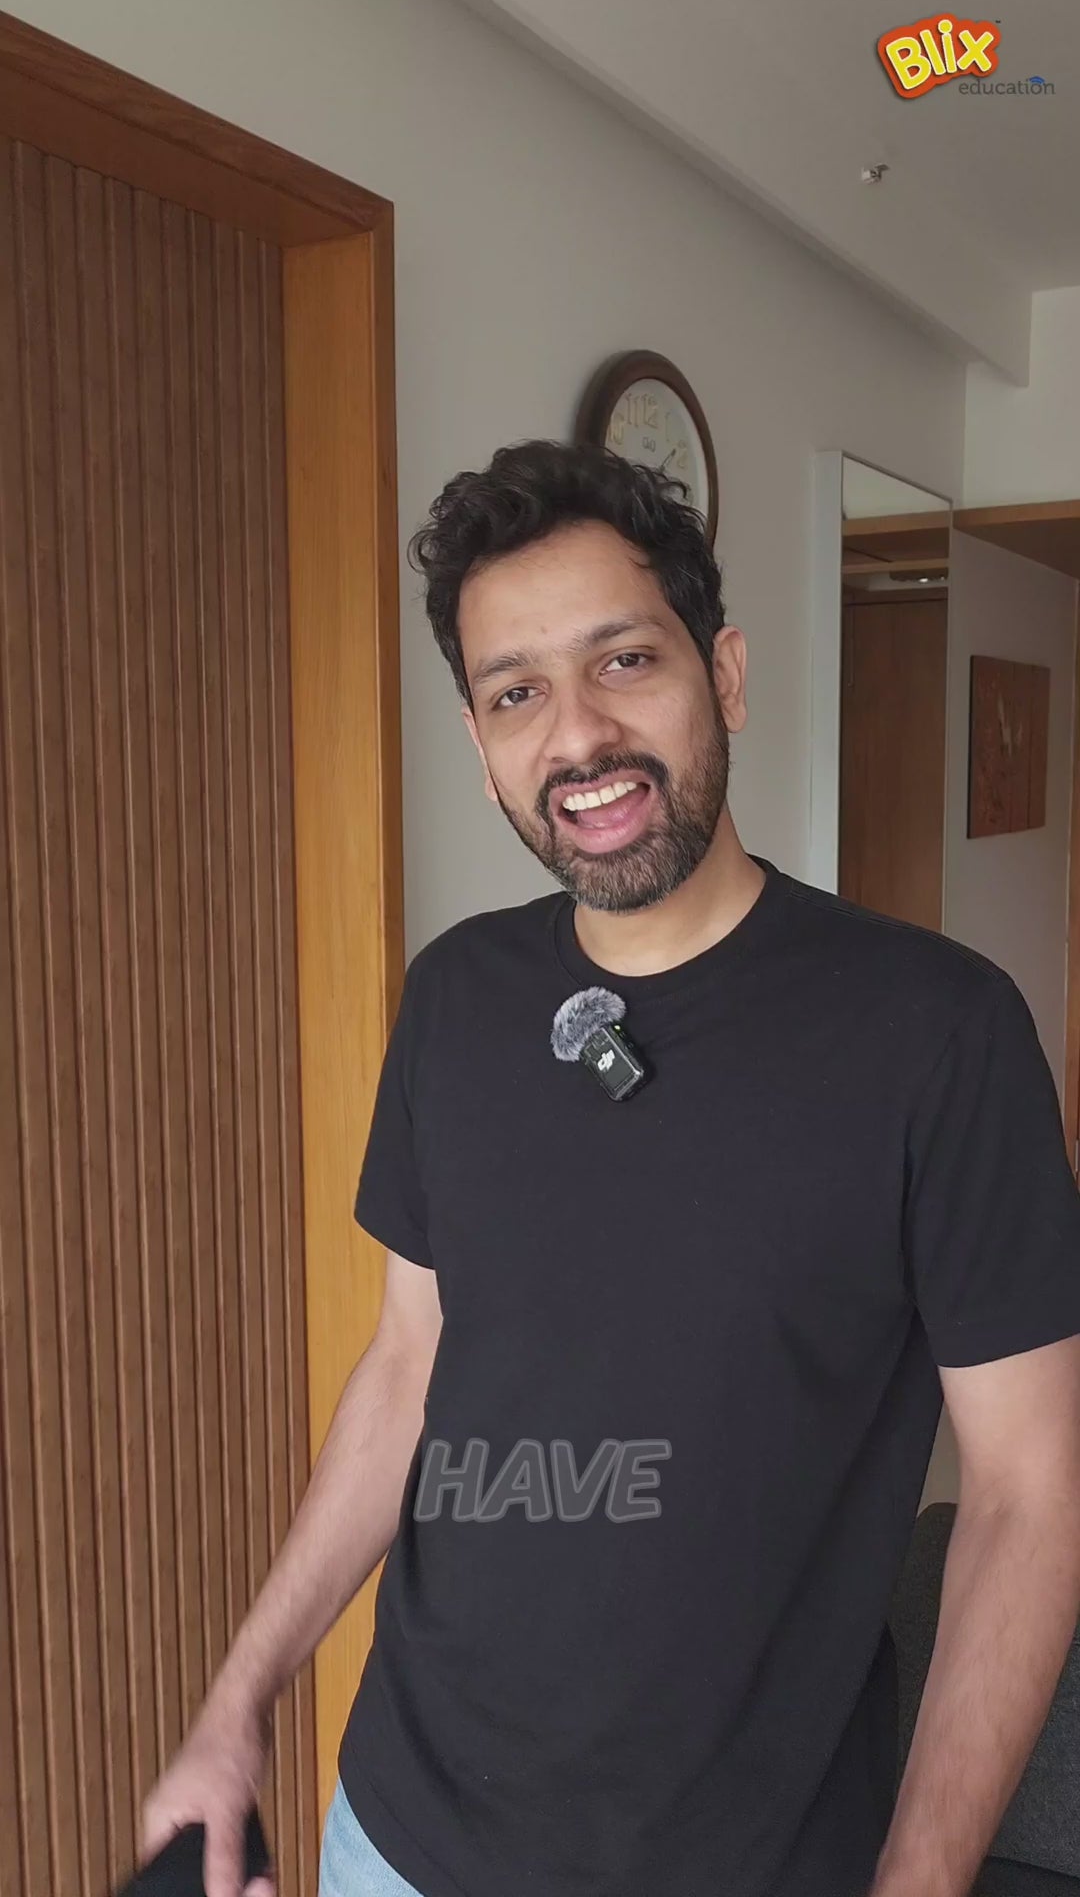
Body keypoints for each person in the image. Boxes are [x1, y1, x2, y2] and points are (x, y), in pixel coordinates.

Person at [142, 441, 1080, 1897]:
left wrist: (923, 1875)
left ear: (727, 675)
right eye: (515, 692)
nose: (577, 736)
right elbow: (408, 1365)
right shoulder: (456, 998)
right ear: (480, 742)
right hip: (398, 1837)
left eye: (624, 661)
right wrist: (235, 1703)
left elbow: (1027, 1494)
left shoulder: (939, 1034)